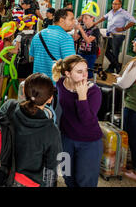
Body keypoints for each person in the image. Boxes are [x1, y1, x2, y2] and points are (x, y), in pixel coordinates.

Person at [0, 73, 62, 187]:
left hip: (1, 171)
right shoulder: (51, 131)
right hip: (28, 182)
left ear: (23, 91)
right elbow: (51, 168)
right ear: (50, 99)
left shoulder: (9, 107)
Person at [52, 55, 103, 187]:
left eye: (86, 70)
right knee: (67, 174)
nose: (85, 75)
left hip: (89, 142)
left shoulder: (94, 91)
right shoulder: (60, 84)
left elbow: (87, 121)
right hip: (65, 139)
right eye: (79, 72)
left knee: (85, 180)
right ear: (67, 73)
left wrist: (82, 97)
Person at [114, 34, 136, 183]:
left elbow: (123, 84)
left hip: (134, 107)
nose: (133, 42)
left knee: (135, 139)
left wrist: (118, 78)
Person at [29, 8, 76, 82]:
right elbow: (71, 64)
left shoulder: (38, 35)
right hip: (55, 85)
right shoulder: (66, 38)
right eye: (71, 19)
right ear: (61, 20)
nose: (74, 22)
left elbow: (32, 57)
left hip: (37, 83)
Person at [94, 0, 136, 73]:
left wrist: (124, 28)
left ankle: (112, 67)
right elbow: (104, 17)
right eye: (113, 4)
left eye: (116, 4)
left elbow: (133, 21)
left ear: (120, 5)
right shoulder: (111, 12)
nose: (114, 5)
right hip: (110, 35)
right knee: (106, 51)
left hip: (118, 36)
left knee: (115, 53)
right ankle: (117, 65)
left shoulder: (124, 13)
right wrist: (96, 23)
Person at [73, 11, 101, 78]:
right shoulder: (83, 28)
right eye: (83, 18)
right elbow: (75, 38)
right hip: (81, 52)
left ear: (92, 18)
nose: (84, 20)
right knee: (78, 71)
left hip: (90, 54)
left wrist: (81, 29)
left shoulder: (95, 29)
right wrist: (76, 30)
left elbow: (88, 40)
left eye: (86, 18)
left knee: (88, 73)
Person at [14, 15, 36, 82]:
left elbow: (16, 50)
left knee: (22, 81)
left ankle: (22, 92)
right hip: (33, 62)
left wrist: (6, 50)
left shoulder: (20, 35)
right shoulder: (36, 34)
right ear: (31, 25)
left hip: (22, 61)